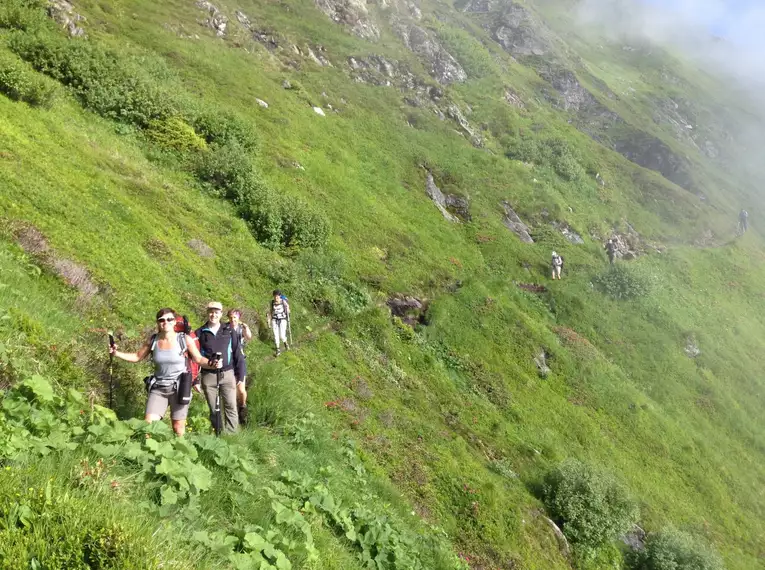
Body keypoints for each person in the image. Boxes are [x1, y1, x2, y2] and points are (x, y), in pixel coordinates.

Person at [108, 308, 215, 436]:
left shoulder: (184, 339)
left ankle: (179, 454)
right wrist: (116, 353)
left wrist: (211, 363)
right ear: (158, 323)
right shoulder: (153, 340)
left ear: (175, 322)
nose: (166, 322)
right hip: (158, 388)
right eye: (162, 320)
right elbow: (137, 356)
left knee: (178, 428)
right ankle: (147, 453)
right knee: (148, 426)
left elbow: (198, 359)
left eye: (169, 319)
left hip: (179, 388)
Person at [196, 301, 246, 434]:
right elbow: (195, 358)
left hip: (227, 373)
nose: (213, 315)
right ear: (207, 313)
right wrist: (195, 379)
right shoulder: (200, 333)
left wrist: (240, 374)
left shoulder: (229, 330)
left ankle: (232, 436)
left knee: (230, 406)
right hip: (208, 375)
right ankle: (218, 434)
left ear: (221, 314)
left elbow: (237, 352)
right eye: (211, 312)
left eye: (216, 312)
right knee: (213, 408)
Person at [227, 308, 252, 425]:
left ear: (238, 318)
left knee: (241, 390)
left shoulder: (241, 328)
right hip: (228, 360)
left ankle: (242, 405)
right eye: (231, 318)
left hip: (240, 360)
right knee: (231, 387)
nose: (233, 320)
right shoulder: (225, 328)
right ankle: (232, 412)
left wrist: (246, 328)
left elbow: (248, 337)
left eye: (235, 318)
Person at [267, 290, 290, 356]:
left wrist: (288, 310)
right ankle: (278, 349)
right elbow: (271, 311)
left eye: (277, 297)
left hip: (282, 319)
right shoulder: (272, 302)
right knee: (275, 335)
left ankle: (285, 343)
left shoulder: (283, 301)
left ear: (279, 296)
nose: (276, 298)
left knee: (282, 335)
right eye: (274, 297)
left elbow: (288, 309)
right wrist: (269, 320)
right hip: (274, 320)